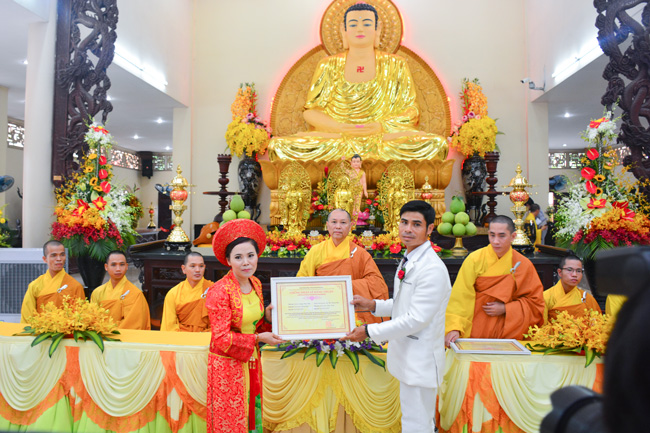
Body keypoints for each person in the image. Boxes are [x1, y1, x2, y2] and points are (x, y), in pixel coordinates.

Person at [267, 2, 448, 162]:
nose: (360, 29)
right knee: (279, 146)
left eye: (367, 24)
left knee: (436, 145)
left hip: (382, 139)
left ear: (377, 29)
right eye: (353, 24)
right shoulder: (328, 65)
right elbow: (311, 112)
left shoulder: (396, 64)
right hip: (337, 139)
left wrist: (380, 126)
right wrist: (341, 127)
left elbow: (411, 112)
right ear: (344, 30)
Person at [343, 200, 451, 433]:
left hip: (420, 360)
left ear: (430, 229)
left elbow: (416, 319)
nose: (408, 229)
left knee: (418, 424)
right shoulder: (410, 258)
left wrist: (369, 331)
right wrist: (373, 305)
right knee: (412, 421)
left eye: (416, 224)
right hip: (408, 356)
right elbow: (404, 303)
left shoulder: (431, 268)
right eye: (404, 222)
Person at [206, 219, 282, 433]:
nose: (246, 262)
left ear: (257, 256)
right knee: (231, 420)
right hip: (227, 366)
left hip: (252, 360)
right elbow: (221, 339)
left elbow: (255, 325)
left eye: (250, 255)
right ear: (228, 261)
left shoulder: (255, 283)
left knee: (252, 413)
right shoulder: (220, 291)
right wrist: (258, 339)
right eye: (238, 257)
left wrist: (267, 318)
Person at [444, 215, 545, 346]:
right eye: (492, 235)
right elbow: (461, 296)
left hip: (510, 333)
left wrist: (507, 308)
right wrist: (455, 327)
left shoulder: (523, 264)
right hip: (477, 328)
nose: (496, 241)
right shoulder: (475, 259)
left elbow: (535, 303)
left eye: (502, 236)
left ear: (513, 236)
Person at [297, 208, 389, 324]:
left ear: (350, 227)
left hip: (351, 310)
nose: (338, 226)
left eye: (343, 222)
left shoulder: (360, 253)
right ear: (327, 225)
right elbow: (301, 282)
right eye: (334, 222)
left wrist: (345, 286)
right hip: (322, 309)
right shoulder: (315, 251)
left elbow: (378, 284)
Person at [20, 240, 85, 323]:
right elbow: (27, 316)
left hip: (65, 330)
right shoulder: (35, 285)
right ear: (45, 259)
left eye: (62, 255)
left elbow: (80, 317)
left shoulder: (75, 286)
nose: (59, 259)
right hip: (40, 329)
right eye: (53, 255)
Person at [90, 250, 151, 330]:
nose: (118, 269)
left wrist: (111, 331)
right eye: (113, 265)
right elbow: (92, 319)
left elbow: (135, 325)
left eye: (122, 265)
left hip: (125, 336)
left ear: (126, 266)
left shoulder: (136, 294)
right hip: (101, 334)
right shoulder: (97, 292)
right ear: (106, 267)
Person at [160, 252, 214, 332]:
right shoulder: (173, 294)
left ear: (204, 267)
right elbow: (169, 326)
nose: (197, 270)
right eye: (192, 266)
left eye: (201, 266)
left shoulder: (214, 290)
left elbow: (218, 324)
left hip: (206, 337)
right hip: (181, 337)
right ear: (184, 269)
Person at [543, 254, 601, 323]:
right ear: (560, 272)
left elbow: (598, 324)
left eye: (578, 271)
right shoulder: (546, 297)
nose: (574, 275)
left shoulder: (586, 298)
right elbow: (541, 326)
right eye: (569, 270)